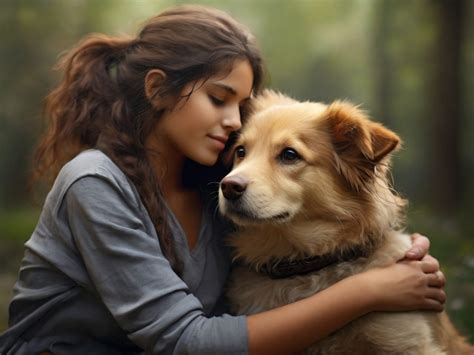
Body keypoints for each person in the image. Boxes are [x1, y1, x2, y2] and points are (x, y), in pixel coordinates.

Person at [0, 5, 446, 355]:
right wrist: (366, 290)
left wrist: (397, 255)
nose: (234, 122)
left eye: (241, 105)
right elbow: (185, 342)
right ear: (157, 89)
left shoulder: (212, 177)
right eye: (218, 99)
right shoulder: (94, 183)